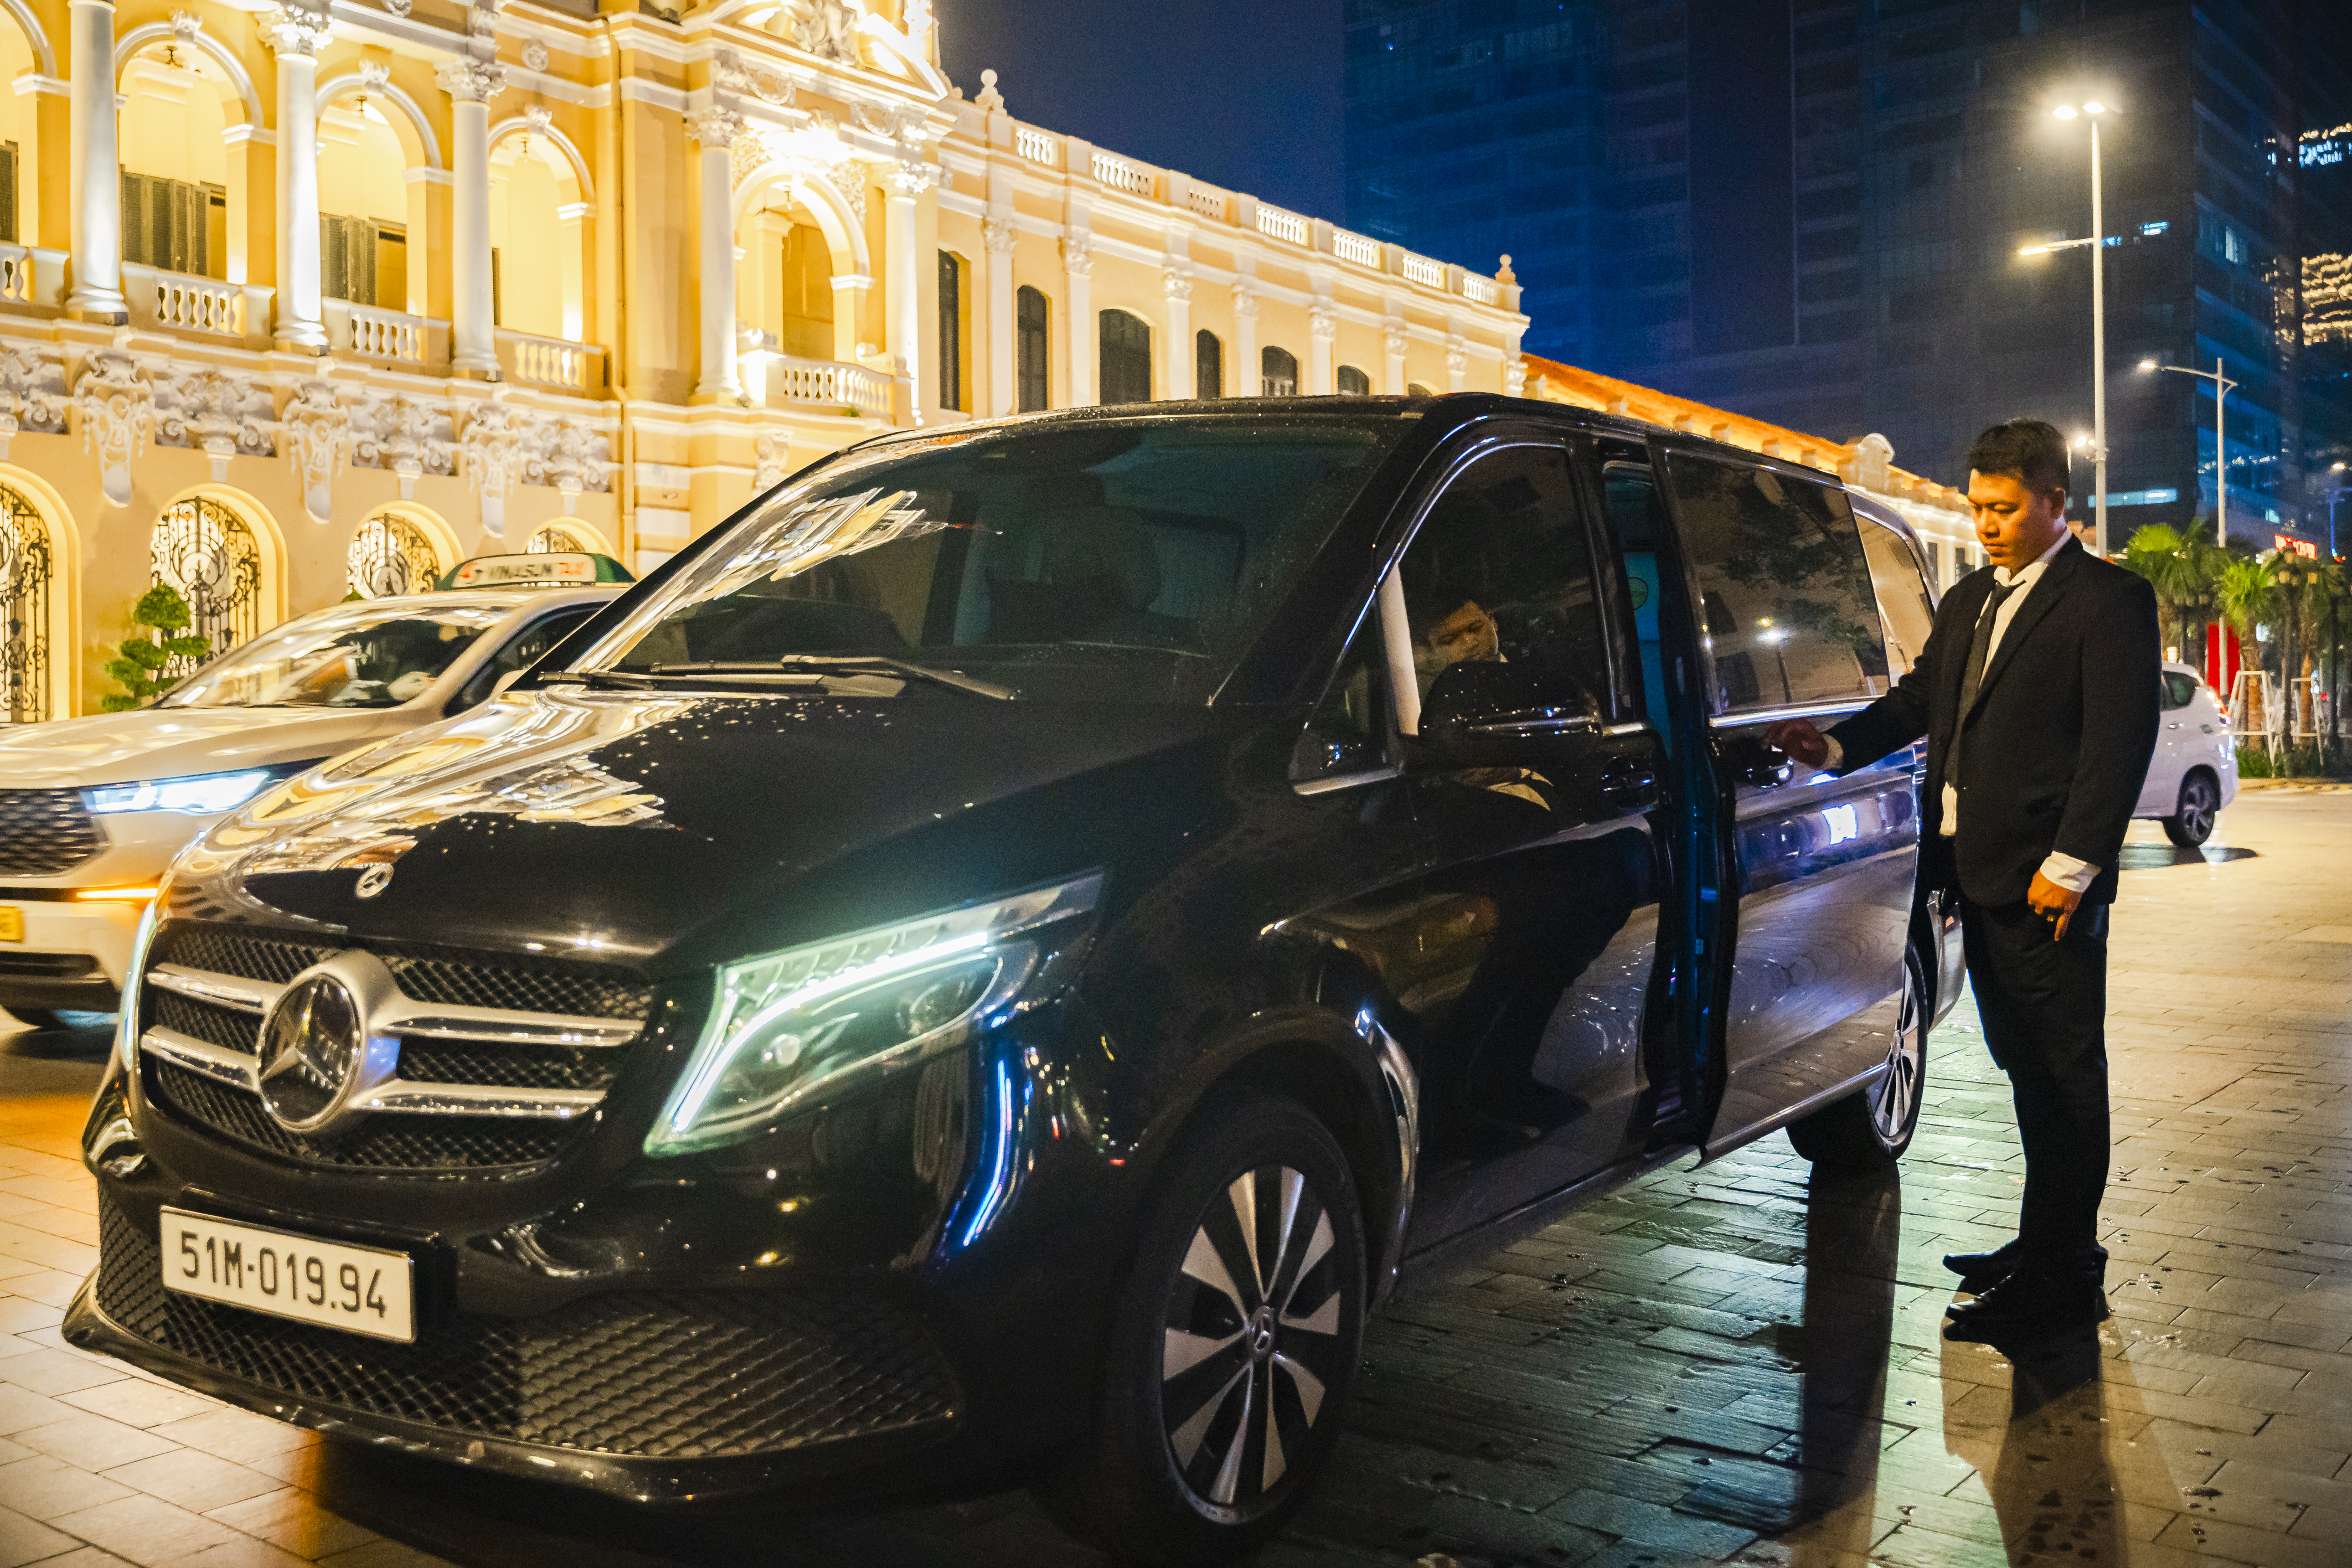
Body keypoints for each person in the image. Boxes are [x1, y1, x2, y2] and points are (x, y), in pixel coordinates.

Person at [1766, 418, 2159, 1341]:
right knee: (2024, 1070)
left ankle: (2068, 1276)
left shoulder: (2108, 601)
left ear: (2057, 500)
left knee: (2064, 1077)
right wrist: (1832, 747)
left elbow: (2117, 743)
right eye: (1978, 506)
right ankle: (2042, 1244)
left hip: (2046, 889)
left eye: (2004, 508)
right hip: (1973, 880)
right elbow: (1918, 702)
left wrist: (2074, 868)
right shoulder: (1974, 598)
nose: (1986, 523)